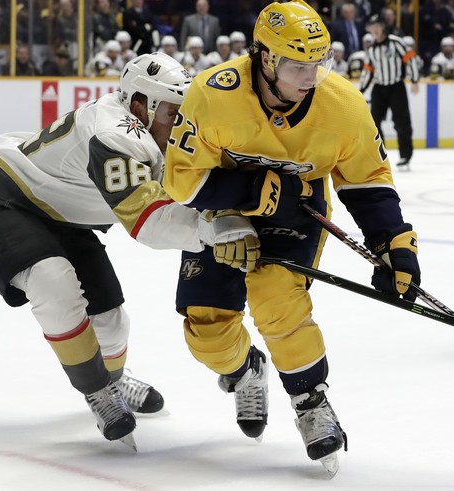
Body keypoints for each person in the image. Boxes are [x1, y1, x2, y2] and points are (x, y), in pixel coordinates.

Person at [162, 0, 421, 473]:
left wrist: (393, 243)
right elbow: (182, 180)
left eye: (317, 63)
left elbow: (366, 179)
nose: (310, 76)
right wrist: (253, 192)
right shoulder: (213, 93)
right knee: (208, 335)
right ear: (265, 57)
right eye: (298, 64)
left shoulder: (341, 103)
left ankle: (309, 400)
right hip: (221, 214)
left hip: (297, 211)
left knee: (276, 294)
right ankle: (246, 372)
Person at [0, 53, 215, 447]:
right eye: (173, 115)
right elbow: (150, 222)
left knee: (111, 322)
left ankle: (114, 379)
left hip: (57, 211)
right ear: (141, 105)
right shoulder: (117, 134)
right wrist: (215, 231)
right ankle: (98, 390)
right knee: (53, 283)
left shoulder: (146, 124)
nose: (180, 127)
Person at [360, 14, 420, 171]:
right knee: (373, 123)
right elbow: (368, 70)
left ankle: (405, 155)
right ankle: (380, 155)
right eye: (372, 28)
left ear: (383, 27)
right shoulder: (371, 49)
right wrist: (361, 90)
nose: (375, 30)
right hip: (379, 88)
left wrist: (414, 80)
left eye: (377, 26)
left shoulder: (395, 42)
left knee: (401, 122)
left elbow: (410, 59)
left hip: (396, 86)